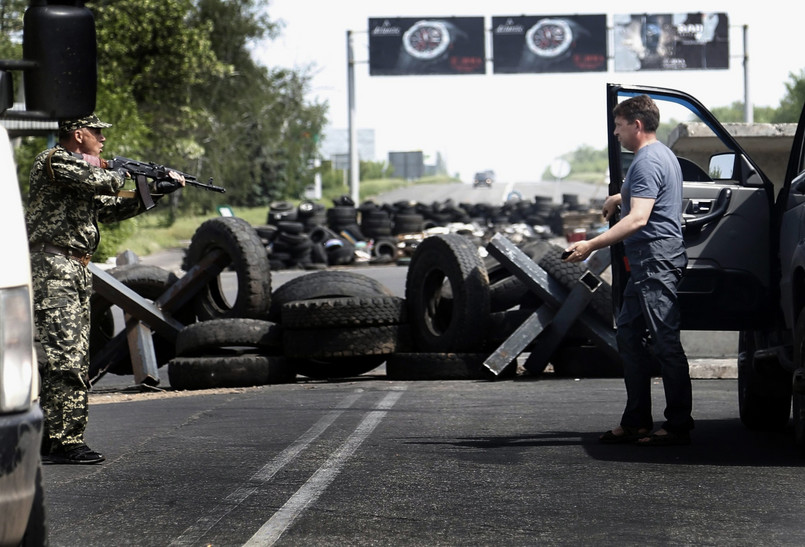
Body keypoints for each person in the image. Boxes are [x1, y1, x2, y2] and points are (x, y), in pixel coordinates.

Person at [27, 114, 184, 464]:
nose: (102, 139)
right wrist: (129, 173)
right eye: (97, 132)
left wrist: (155, 189)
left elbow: (110, 208)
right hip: (53, 266)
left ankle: (53, 440)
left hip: (74, 266)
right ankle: (67, 442)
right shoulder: (55, 161)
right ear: (78, 134)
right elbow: (105, 181)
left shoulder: (83, 178)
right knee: (66, 357)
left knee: (69, 356)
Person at [564, 94, 693, 446]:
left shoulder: (648, 160)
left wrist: (591, 244)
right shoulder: (659, 154)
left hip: (655, 261)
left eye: (619, 126)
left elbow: (639, 217)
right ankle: (636, 420)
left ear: (637, 125)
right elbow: (645, 196)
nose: (616, 134)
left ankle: (679, 425)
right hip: (646, 265)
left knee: (665, 343)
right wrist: (618, 197)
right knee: (629, 337)